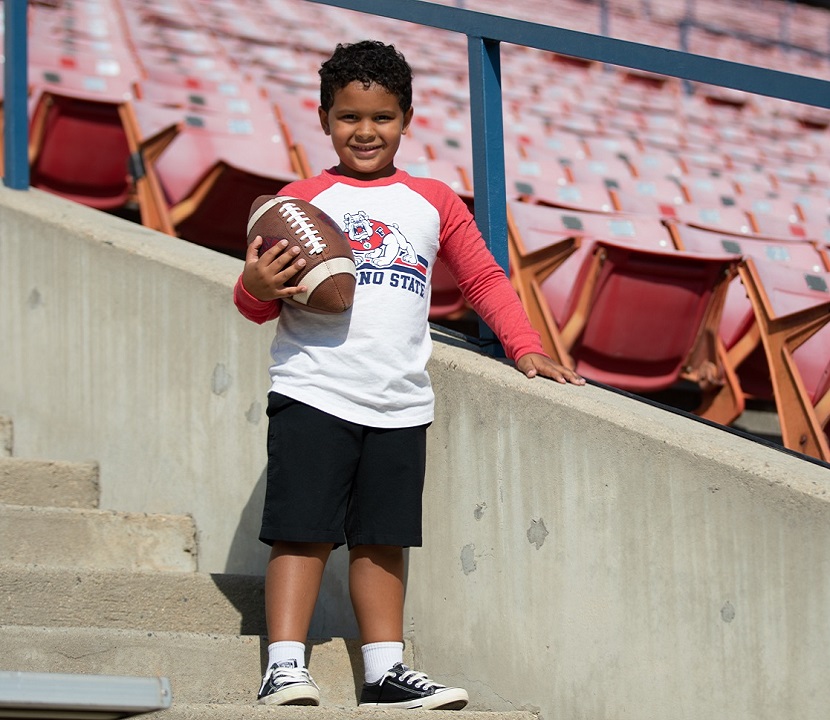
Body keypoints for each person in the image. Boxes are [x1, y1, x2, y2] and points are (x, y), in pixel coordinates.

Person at [233, 39, 584, 710]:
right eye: (348, 117)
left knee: (383, 539)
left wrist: (525, 345)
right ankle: (283, 664)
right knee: (303, 531)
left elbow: (482, 277)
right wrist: (254, 285)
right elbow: (254, 304)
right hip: (315, 389)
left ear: (408, 117)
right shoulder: (299, 201)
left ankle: (383, 671)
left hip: (400, 400)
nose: (365, 131)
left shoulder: (432, 200)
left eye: (382, 117)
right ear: (324, 117)